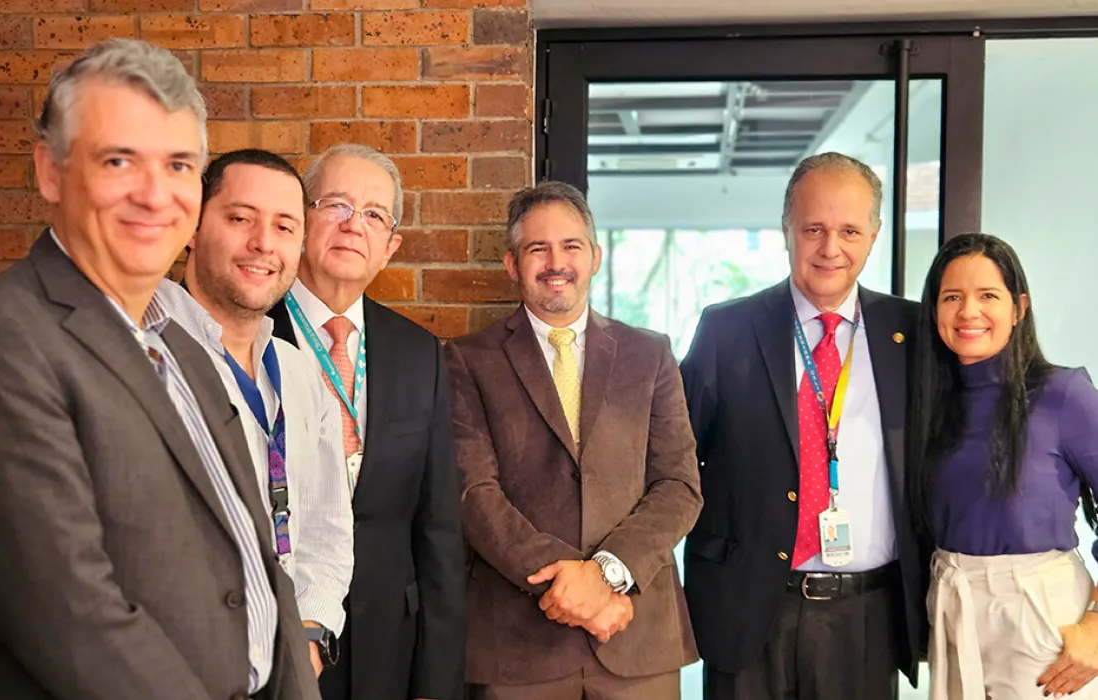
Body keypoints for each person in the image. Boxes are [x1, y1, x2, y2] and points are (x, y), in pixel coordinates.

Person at [0, 39, 318, 699]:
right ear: (50, 172)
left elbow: (260, 562)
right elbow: (72, 615)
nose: (154, 195)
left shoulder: (181, 342)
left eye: (177, 165)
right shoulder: (15, 336)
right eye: (118, 160)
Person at [680, 152, 926, 700]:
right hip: (746, 607)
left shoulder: (911, 333)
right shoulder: (727, 330)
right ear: (786, 228)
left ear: (874, 235)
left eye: (849, 231)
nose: (830, 248)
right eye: (814, 228)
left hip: (867, 615)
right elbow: (673, 461)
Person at [446, 181, 703, 699]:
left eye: (571, 246)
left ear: (595, 257)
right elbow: (474, 494)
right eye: (537, 249)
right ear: (512, 264)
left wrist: (606, 577)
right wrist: (570, 588)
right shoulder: (468, 360)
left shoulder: (650, 355)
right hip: (519, 645)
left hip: (634, 634)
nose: (556, 263)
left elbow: (678, 486)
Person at [267, 143, 465, 700]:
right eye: (336, 205)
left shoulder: (418, 352)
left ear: (390, 247)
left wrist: (437, 680)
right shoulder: (248, 330)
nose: (354, 225)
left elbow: (439, 525)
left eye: (375, 215)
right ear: (301, 219)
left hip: (389, 643)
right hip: (278, 635)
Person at [156, 149, 355, 678]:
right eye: (241, 218)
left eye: (284, 227)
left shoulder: (297, 370)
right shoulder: (143, 352)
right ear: (193, 228)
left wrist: (310, 633)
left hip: (283, 667)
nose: (264, 243)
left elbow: (328, 525)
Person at [909, 233, 1098, 699]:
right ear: (934, 311)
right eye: (952, 297)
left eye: (988, 296)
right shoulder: (928, 405)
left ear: (1018, 308)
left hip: (1041, 616)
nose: (968, 311)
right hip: (953, 604)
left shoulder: (1063, 394)